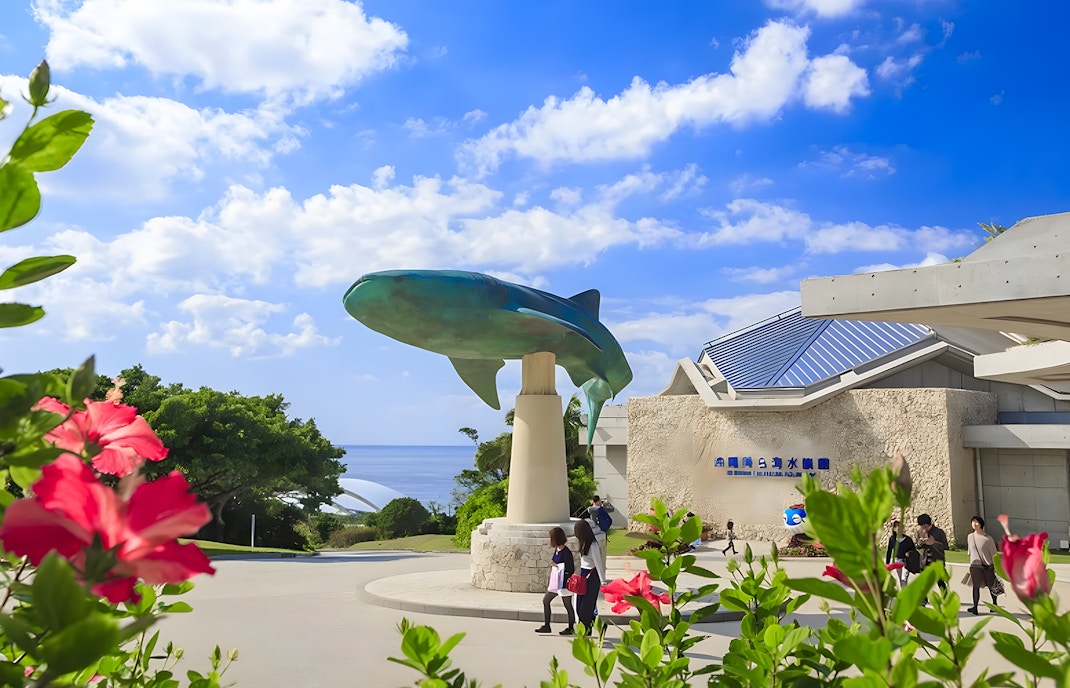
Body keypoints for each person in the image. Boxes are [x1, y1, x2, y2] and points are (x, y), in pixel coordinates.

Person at [535, 527, 576, 635]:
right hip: (555, 581)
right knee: (546, 600)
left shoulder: (566, 552)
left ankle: (571, 628)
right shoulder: (557, 549)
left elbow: (570, 568)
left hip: (564, 583)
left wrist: (561, 568)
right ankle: (547, 625)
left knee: (568, 605)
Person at [573, 518, 606, 629]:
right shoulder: (583, 543)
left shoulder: (593, 545)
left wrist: (603, 580)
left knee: (587, 604)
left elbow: (598, 563)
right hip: (584, 574)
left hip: (591, 575)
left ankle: (586, 627)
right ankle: (587, 626)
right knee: (580, 603)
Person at [966, 515, 999, 615]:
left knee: (991, 585)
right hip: (975, 565)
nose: (974, 524)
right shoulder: (970, 537)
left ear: (981, 524)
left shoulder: (988, 539)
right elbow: (970, 552)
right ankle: (975, 607)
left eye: (977, 522)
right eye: (973, 521)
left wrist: (995, 566)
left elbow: (994, 554)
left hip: (987, 566)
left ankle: (994, 604)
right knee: (976, 586)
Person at [916, 513, 948, 591]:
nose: (923, 528)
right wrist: (919, 543)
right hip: (925, 561)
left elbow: (945, 546)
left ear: (928, 524)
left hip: (937, 560)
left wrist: (933, 543)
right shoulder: (919, 532)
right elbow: (917, 546)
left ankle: (945, 596)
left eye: (924, 526)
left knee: (940, 582)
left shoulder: (939, 532)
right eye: (921, 526)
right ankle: (924, 597)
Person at [884, 520, 918, 584]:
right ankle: (904, 589)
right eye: (897, 527)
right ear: (894, 529)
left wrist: (909, 552)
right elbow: (889, 551)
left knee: (904, 578)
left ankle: (905, 589)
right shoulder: (892, 539)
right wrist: (887, 564)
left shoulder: (908, 539)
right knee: (901, 580)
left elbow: (914, 550)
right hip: (898, 561)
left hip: (906, 561)